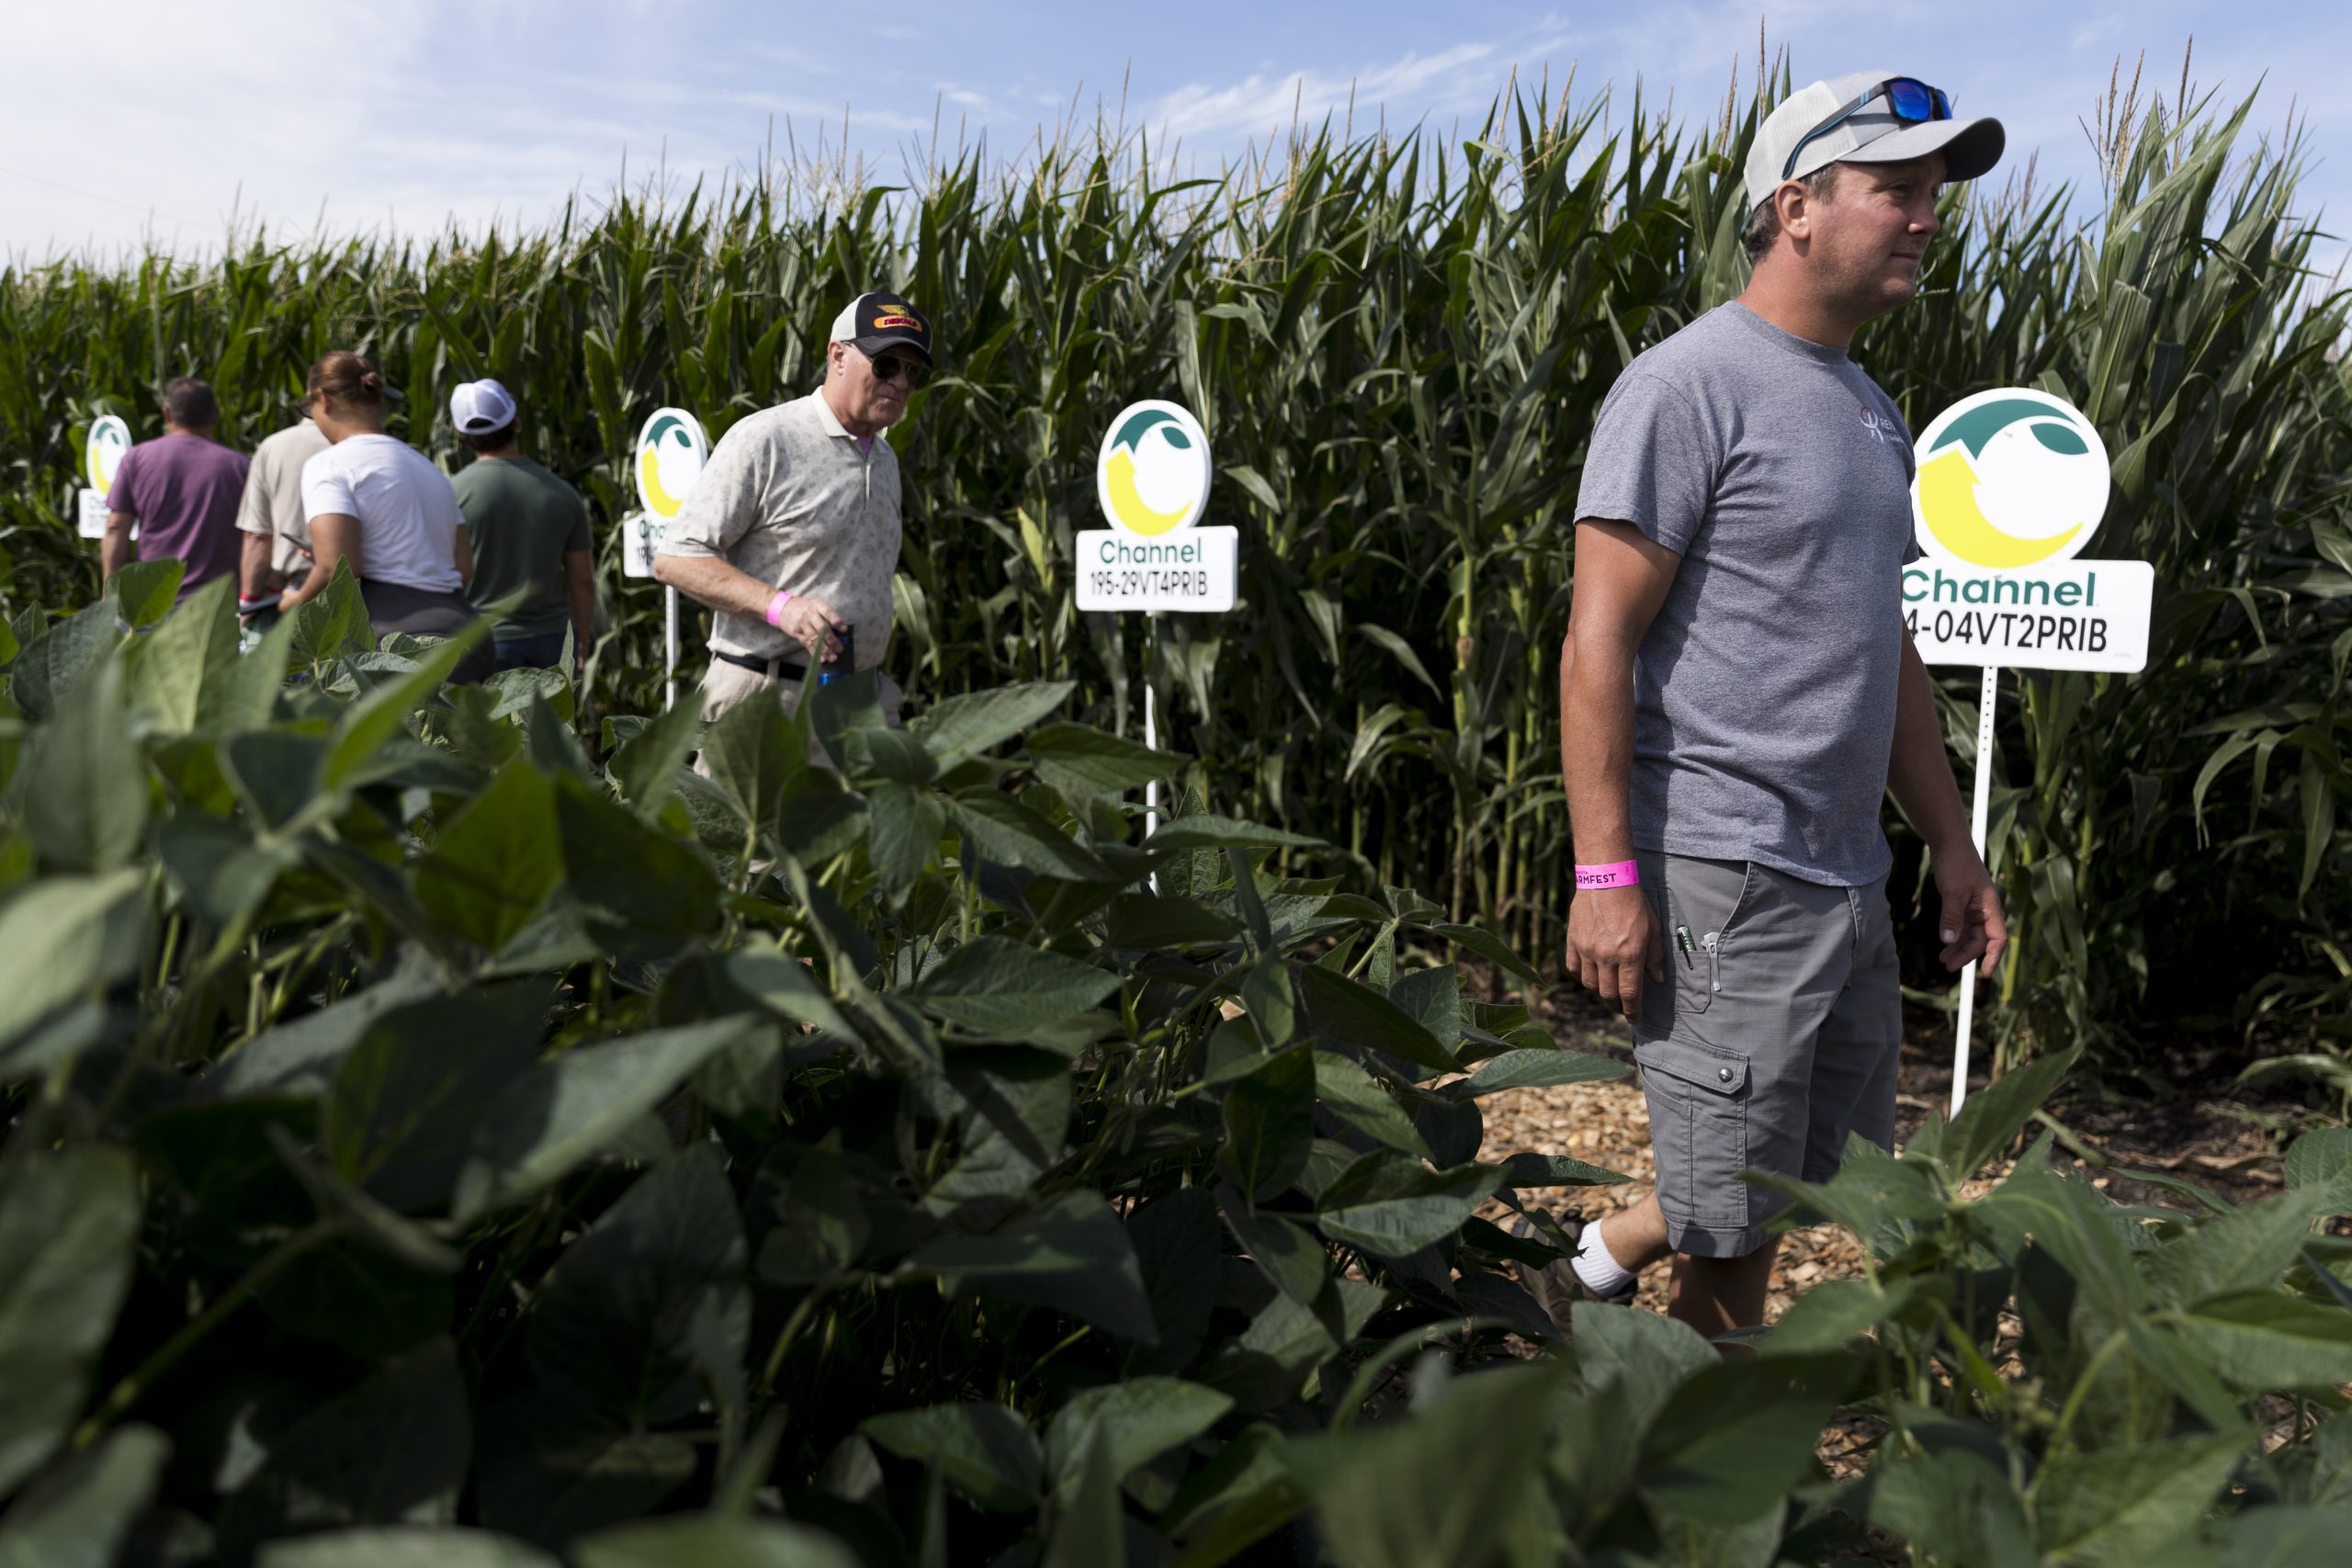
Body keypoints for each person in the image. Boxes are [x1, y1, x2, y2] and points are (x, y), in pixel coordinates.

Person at [1535, 73, 2011, 1338]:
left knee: (1792, 1177)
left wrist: (1951, 844)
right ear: (1797, 206)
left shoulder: (1867, 406)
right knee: (1737, 1237)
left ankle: (1599, 1254)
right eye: (1897, 190)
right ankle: (1693, 1515)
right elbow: (1598, 640)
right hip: (1728, 872)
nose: (1926, 218)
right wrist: (1604, 873)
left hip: (1845, 872)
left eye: (1933, 196)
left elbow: (1885, 645)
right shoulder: (1688, 386)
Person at [653, 290, 932, 728]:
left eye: (914, 373)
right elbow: (676, 559)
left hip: (860, 701)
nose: (900, 382)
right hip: (767, 700)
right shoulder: (768, 439)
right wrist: (781, 607)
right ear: (838, 356)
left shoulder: (885, 459)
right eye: (886, 365)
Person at [280, 351, 492, 685]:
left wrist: (293, 603)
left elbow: (340, 566)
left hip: (395, 642)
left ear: (322, 399)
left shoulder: (329, 464)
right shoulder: (426, 468)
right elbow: (463, 568)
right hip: (466, 632)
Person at [447, 378, 595, 673]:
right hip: (552, 643)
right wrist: (582, 639)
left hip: (479, 641)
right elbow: (583, 580)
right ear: (516, 422)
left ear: (462, 436)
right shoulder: (562, 493)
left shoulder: (450, 494)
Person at [102, 377, 249, 604]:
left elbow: (115, 528)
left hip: (153, 598)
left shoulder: (136, 459)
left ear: (167, 414)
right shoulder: (241, 466)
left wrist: (109, 598)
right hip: (217, 603)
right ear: (217, 415)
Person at [234, 408, 331, 634]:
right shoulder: (369, 447)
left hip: (287, 593)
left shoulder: (274, 446)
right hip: (358, 592)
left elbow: (258, 536)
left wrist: (248, 602)